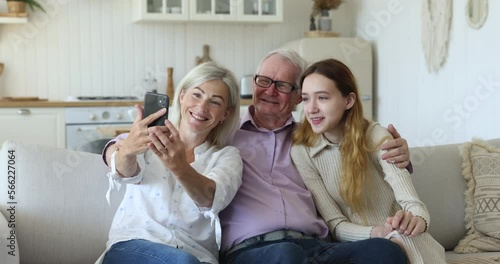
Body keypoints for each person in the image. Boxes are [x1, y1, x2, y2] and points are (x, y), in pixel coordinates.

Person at [219, 49, 411, 263]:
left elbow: (360, 154)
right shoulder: (223, 134)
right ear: (254, 84)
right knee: (286, 255)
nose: (270, 91)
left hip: (317, 247)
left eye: (282, 85)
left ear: (297, 98)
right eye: (264, 81)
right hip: (252, 251)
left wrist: (398, 155)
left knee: (384, 251)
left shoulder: (315, 137)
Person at [290, 58, 445, 263]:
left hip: (405, 238)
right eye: (306, 99)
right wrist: (379, 232)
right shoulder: (302, 151)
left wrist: (416, 220)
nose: (311, 109)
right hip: (361, 246)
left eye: (322, 98)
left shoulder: (376, 136)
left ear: (349, 100)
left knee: (399, 241)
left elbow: (413, 204)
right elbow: (335, 224)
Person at [96, 61, 243, 264]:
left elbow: (211, 198)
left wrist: (180, 167)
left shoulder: (227, 157)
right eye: (197, 94)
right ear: (182, 96)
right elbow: (122, 168)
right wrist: (127, 150)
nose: (202, 107)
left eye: (215, 102)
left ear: (225, 114)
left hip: (197, 256)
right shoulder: (146, 137)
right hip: (132, 248)